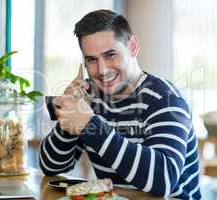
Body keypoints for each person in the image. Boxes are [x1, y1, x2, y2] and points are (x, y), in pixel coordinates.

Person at [39, 9, 201, 199]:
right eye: (92, 60)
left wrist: (89, 125)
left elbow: (163, 181)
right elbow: (52, 167)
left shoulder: (165, 99)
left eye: (110, 55)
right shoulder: (92, 100)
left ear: (132, 47)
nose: (102, 70)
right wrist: (68, 118)